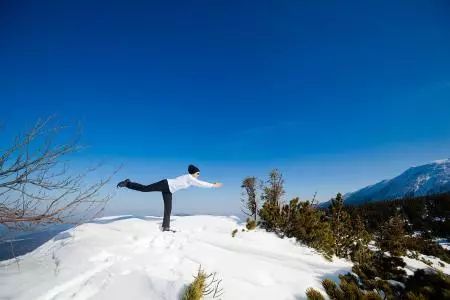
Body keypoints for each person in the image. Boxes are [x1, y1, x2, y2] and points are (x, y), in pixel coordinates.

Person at [117, 164, 222, 231]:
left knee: (168, 209)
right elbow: (201, 184)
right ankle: (128, 183)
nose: (198, 175)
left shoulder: (189, 179)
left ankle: (166, 227)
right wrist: (213, 185)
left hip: (169, 190)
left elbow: (198, 182)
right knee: (145, 188)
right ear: (193, 173)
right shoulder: (189, 177)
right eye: (198, 173)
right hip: (165, 184)